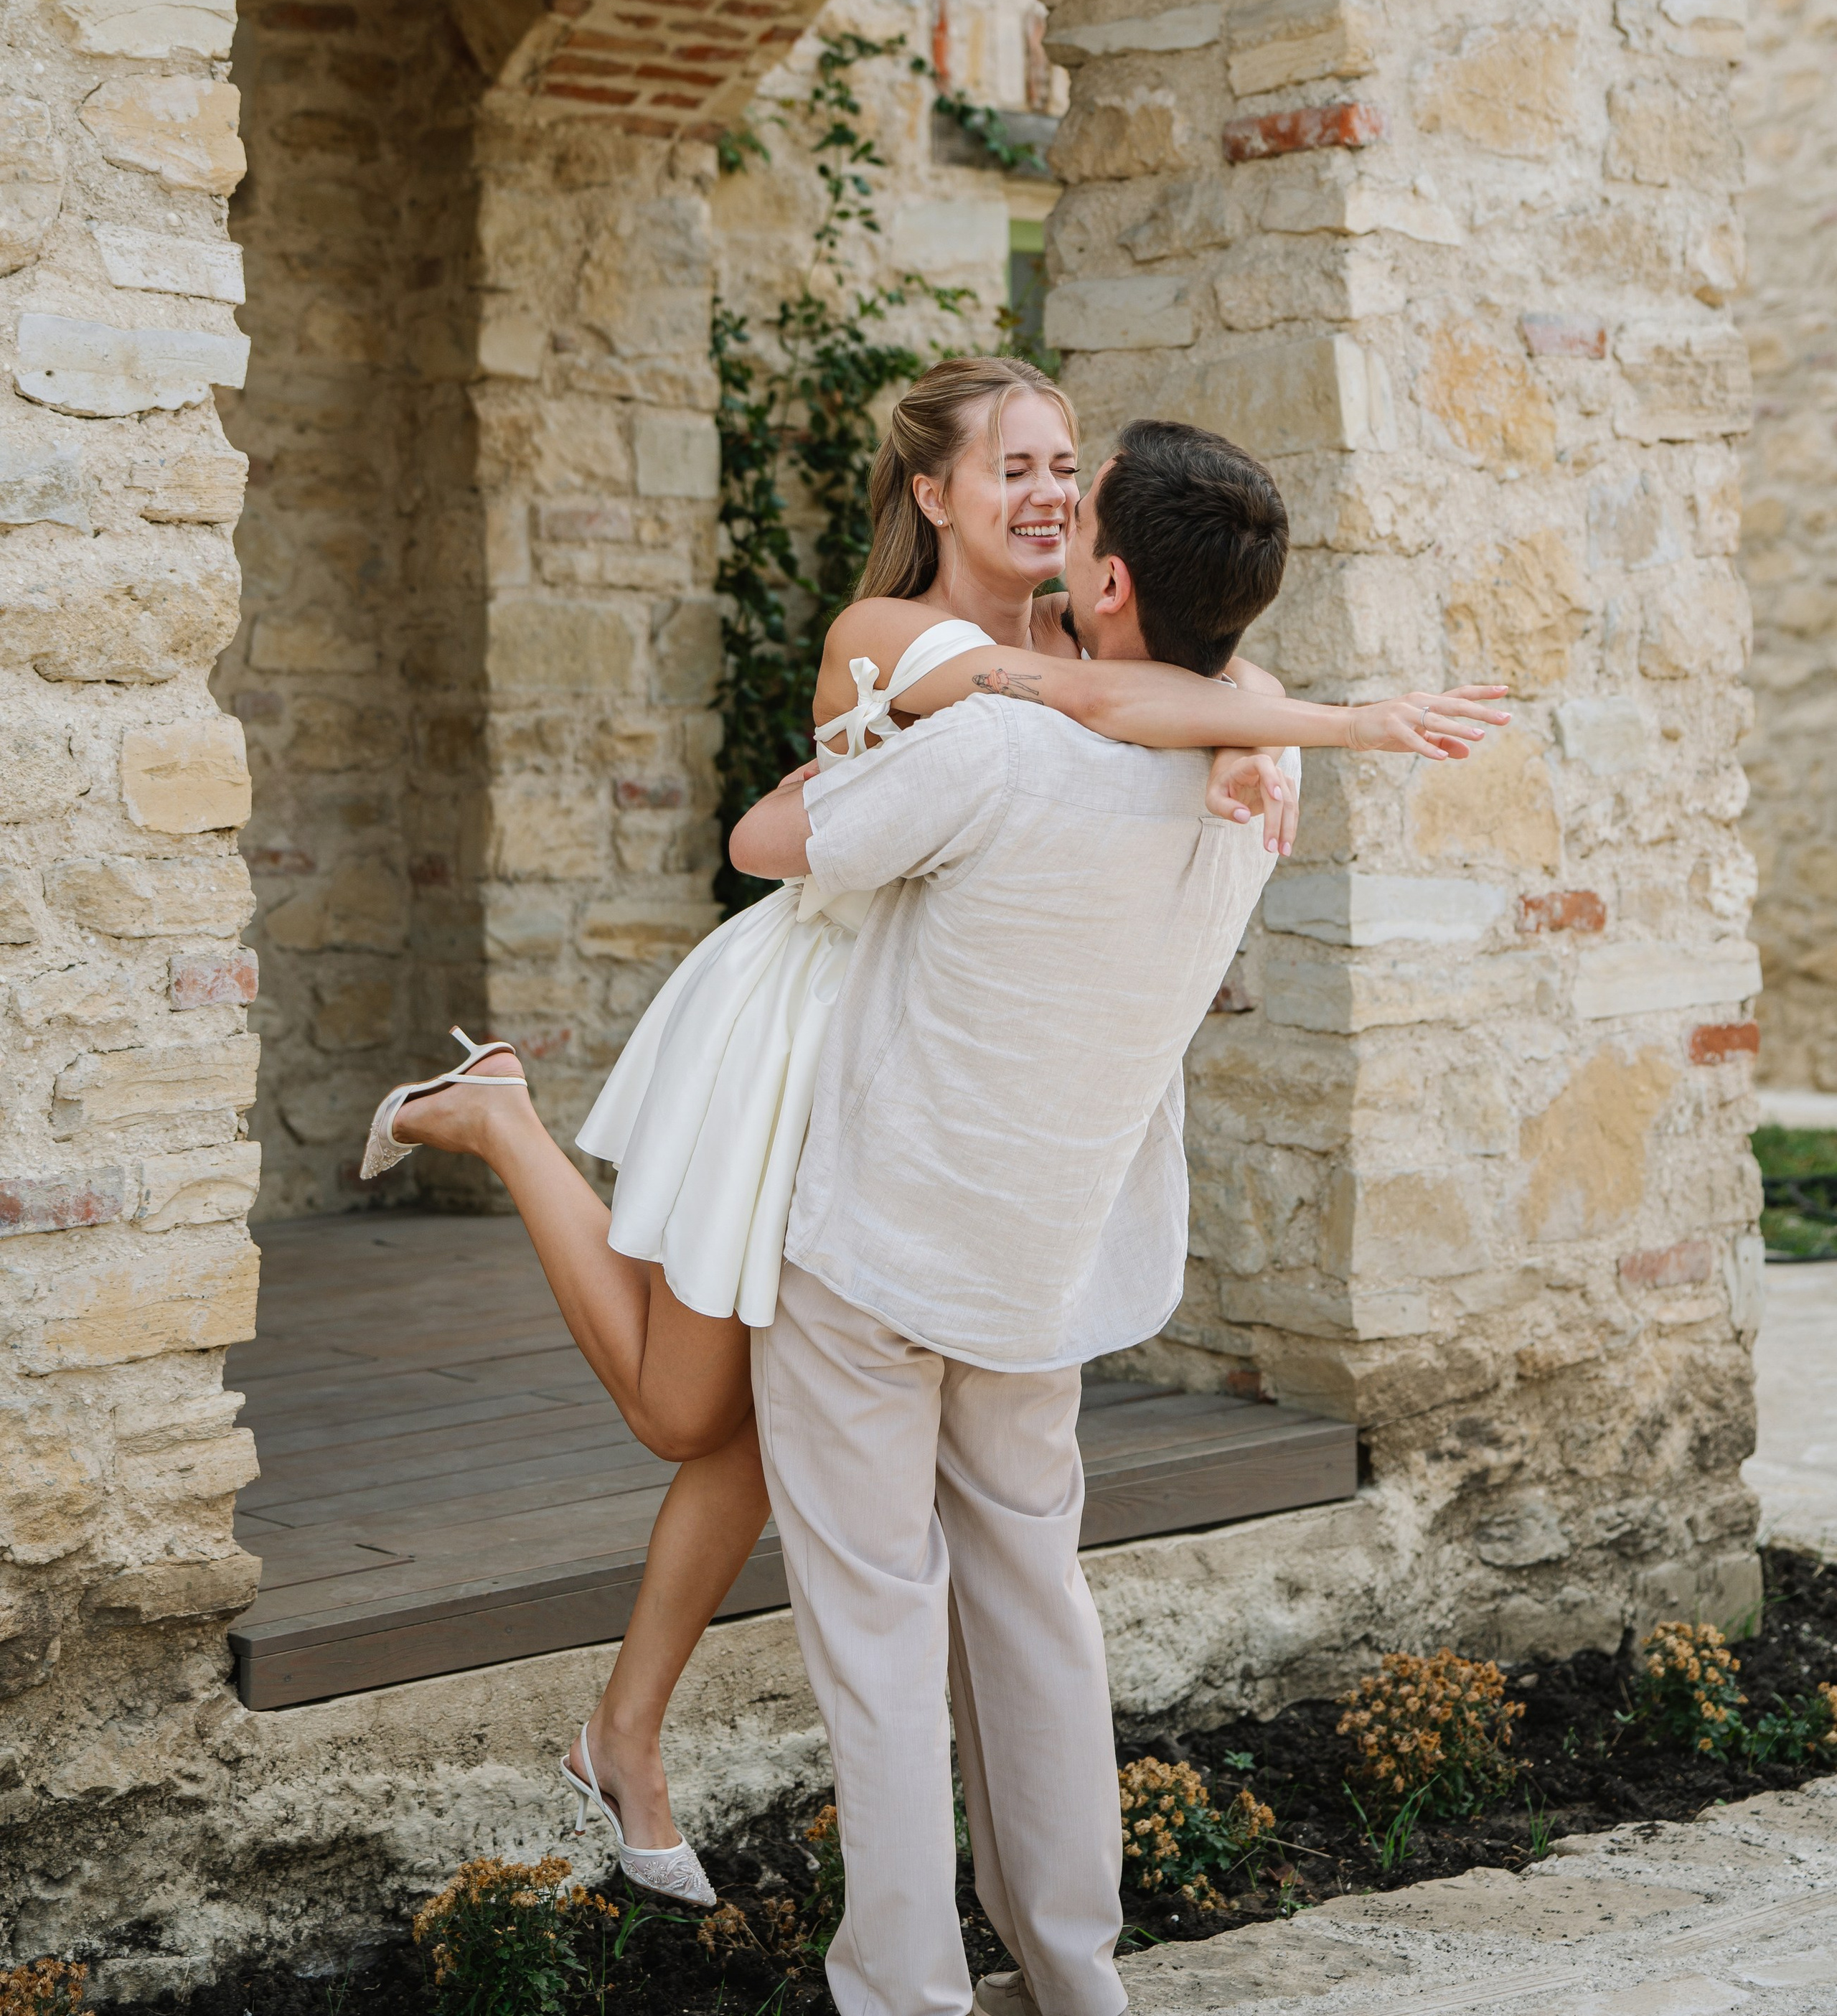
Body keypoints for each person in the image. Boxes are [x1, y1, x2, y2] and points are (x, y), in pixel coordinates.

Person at [365, 360, 1504, 1913]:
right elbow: (1106, 705)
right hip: (802, 1039)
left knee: (759, 1424)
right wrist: (1312, 720)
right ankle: (503, 1121)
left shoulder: (1068, 628)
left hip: (902, 1070)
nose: (1044, 490)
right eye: (1011, 467)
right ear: (930, 495)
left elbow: (1144, 675)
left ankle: (623, 1734)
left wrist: (1236, 724)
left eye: (1061, 469)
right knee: (684, 1405)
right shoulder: (896, 639)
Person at [706, 416, 1505, 2016]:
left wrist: (840, 759)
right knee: (1033, 1604)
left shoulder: (998, 746)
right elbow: (1182, 703)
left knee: (875, 1637)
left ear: (1113, 578)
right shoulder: (1247, 791)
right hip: (1041, 1264)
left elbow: (770, 848)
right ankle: (1075, 1995)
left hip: (875, 1249)